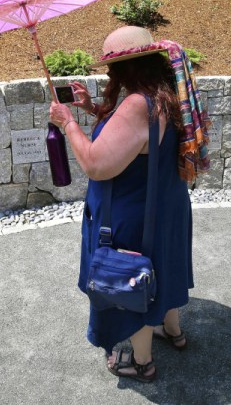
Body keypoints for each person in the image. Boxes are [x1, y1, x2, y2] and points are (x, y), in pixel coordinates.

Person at [48, 26, 210, 383]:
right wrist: (91, 108)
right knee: (162, 268)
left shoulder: (137, 104)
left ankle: (140, 361)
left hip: (135, 214)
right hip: (166, 206)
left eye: (110, 68)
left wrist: (68, 123)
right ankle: (172, 330)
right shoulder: (166, 95)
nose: (108, 75)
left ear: (126, 68)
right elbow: (136, 140)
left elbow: (96, 163)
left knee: (132, 282)